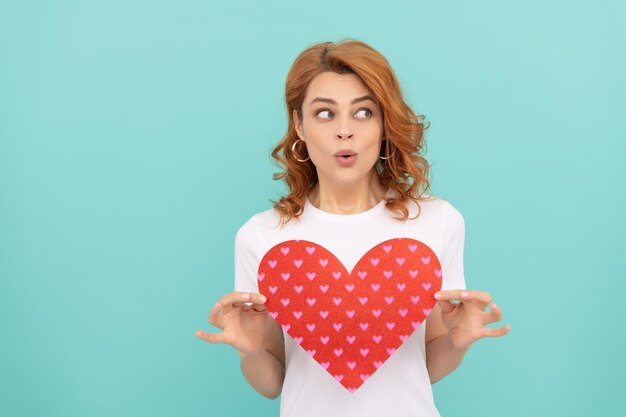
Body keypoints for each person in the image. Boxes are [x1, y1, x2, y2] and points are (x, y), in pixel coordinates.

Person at [195, 39, 510, 417]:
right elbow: (273, 382)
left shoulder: (437, 222)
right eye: (325, 114)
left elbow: (426, 366)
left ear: (383, 124)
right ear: (299, 124)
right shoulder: (262, 236)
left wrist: (459, 341)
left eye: (363, 113)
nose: (344, 131)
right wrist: (250, 351)